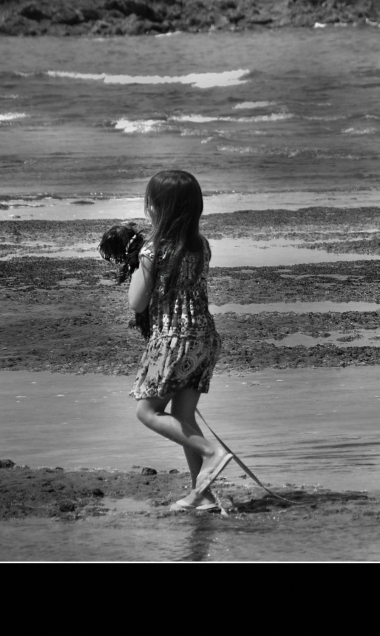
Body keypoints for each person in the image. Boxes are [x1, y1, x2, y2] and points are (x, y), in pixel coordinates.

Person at [127, 170, 231, 512]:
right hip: (204, 338)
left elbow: (136, 303)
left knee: (147, 411)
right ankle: (202, 494)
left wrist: (138, 267)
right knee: (183, 417)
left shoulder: (153, 249)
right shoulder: (200, 246)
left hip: (174, 341)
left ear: (158, 209)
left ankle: (213, 453)